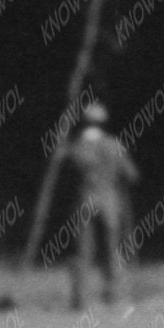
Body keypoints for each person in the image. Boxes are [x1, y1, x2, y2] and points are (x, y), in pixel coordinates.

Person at [64, 102, 137, 308]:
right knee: (112, 249)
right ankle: (113, 296)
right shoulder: (115, 144)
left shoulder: (76, 147)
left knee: (83, 250)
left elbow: (67, 175)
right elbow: (131, 175)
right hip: (110, 201)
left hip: (85, 200)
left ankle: (80, 299)